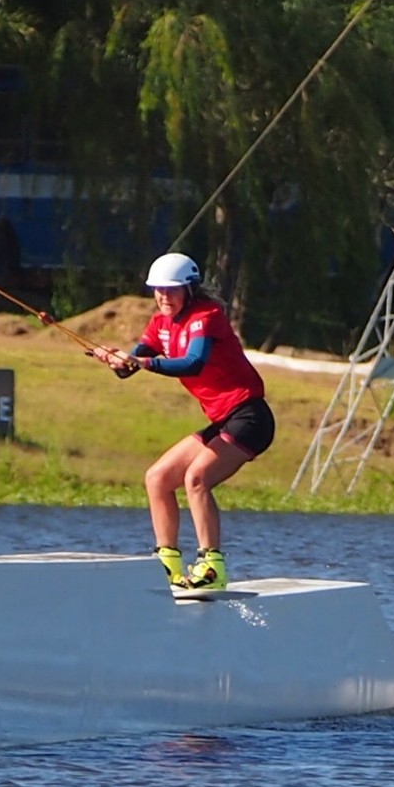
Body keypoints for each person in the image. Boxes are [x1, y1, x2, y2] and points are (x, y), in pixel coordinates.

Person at [93, 253, 275, 594]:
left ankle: (211, 566)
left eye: (172, 290)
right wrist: (117, 359)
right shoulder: (160, 324)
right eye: (158, 290)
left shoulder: (207, 315)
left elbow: (193, 362)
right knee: (158, 478)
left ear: (189, 289)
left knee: (196, 478)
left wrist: (142, 361)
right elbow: (131, 364)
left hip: (250, 416)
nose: (164, 297)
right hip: (224, 420)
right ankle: (168, 565)